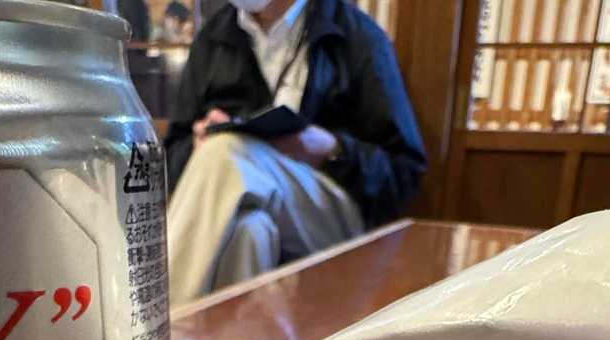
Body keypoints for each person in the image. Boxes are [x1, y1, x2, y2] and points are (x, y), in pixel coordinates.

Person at [164, 0, 427, 305]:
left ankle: (164, 321)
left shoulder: (356, 34)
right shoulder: (213, 38)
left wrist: (332, 148)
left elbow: (404, 171)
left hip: (331, 212)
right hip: (238, 191)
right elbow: (171, 158)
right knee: (251, 230)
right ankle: (240, 339)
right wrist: (195, 145)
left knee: (225, 152)